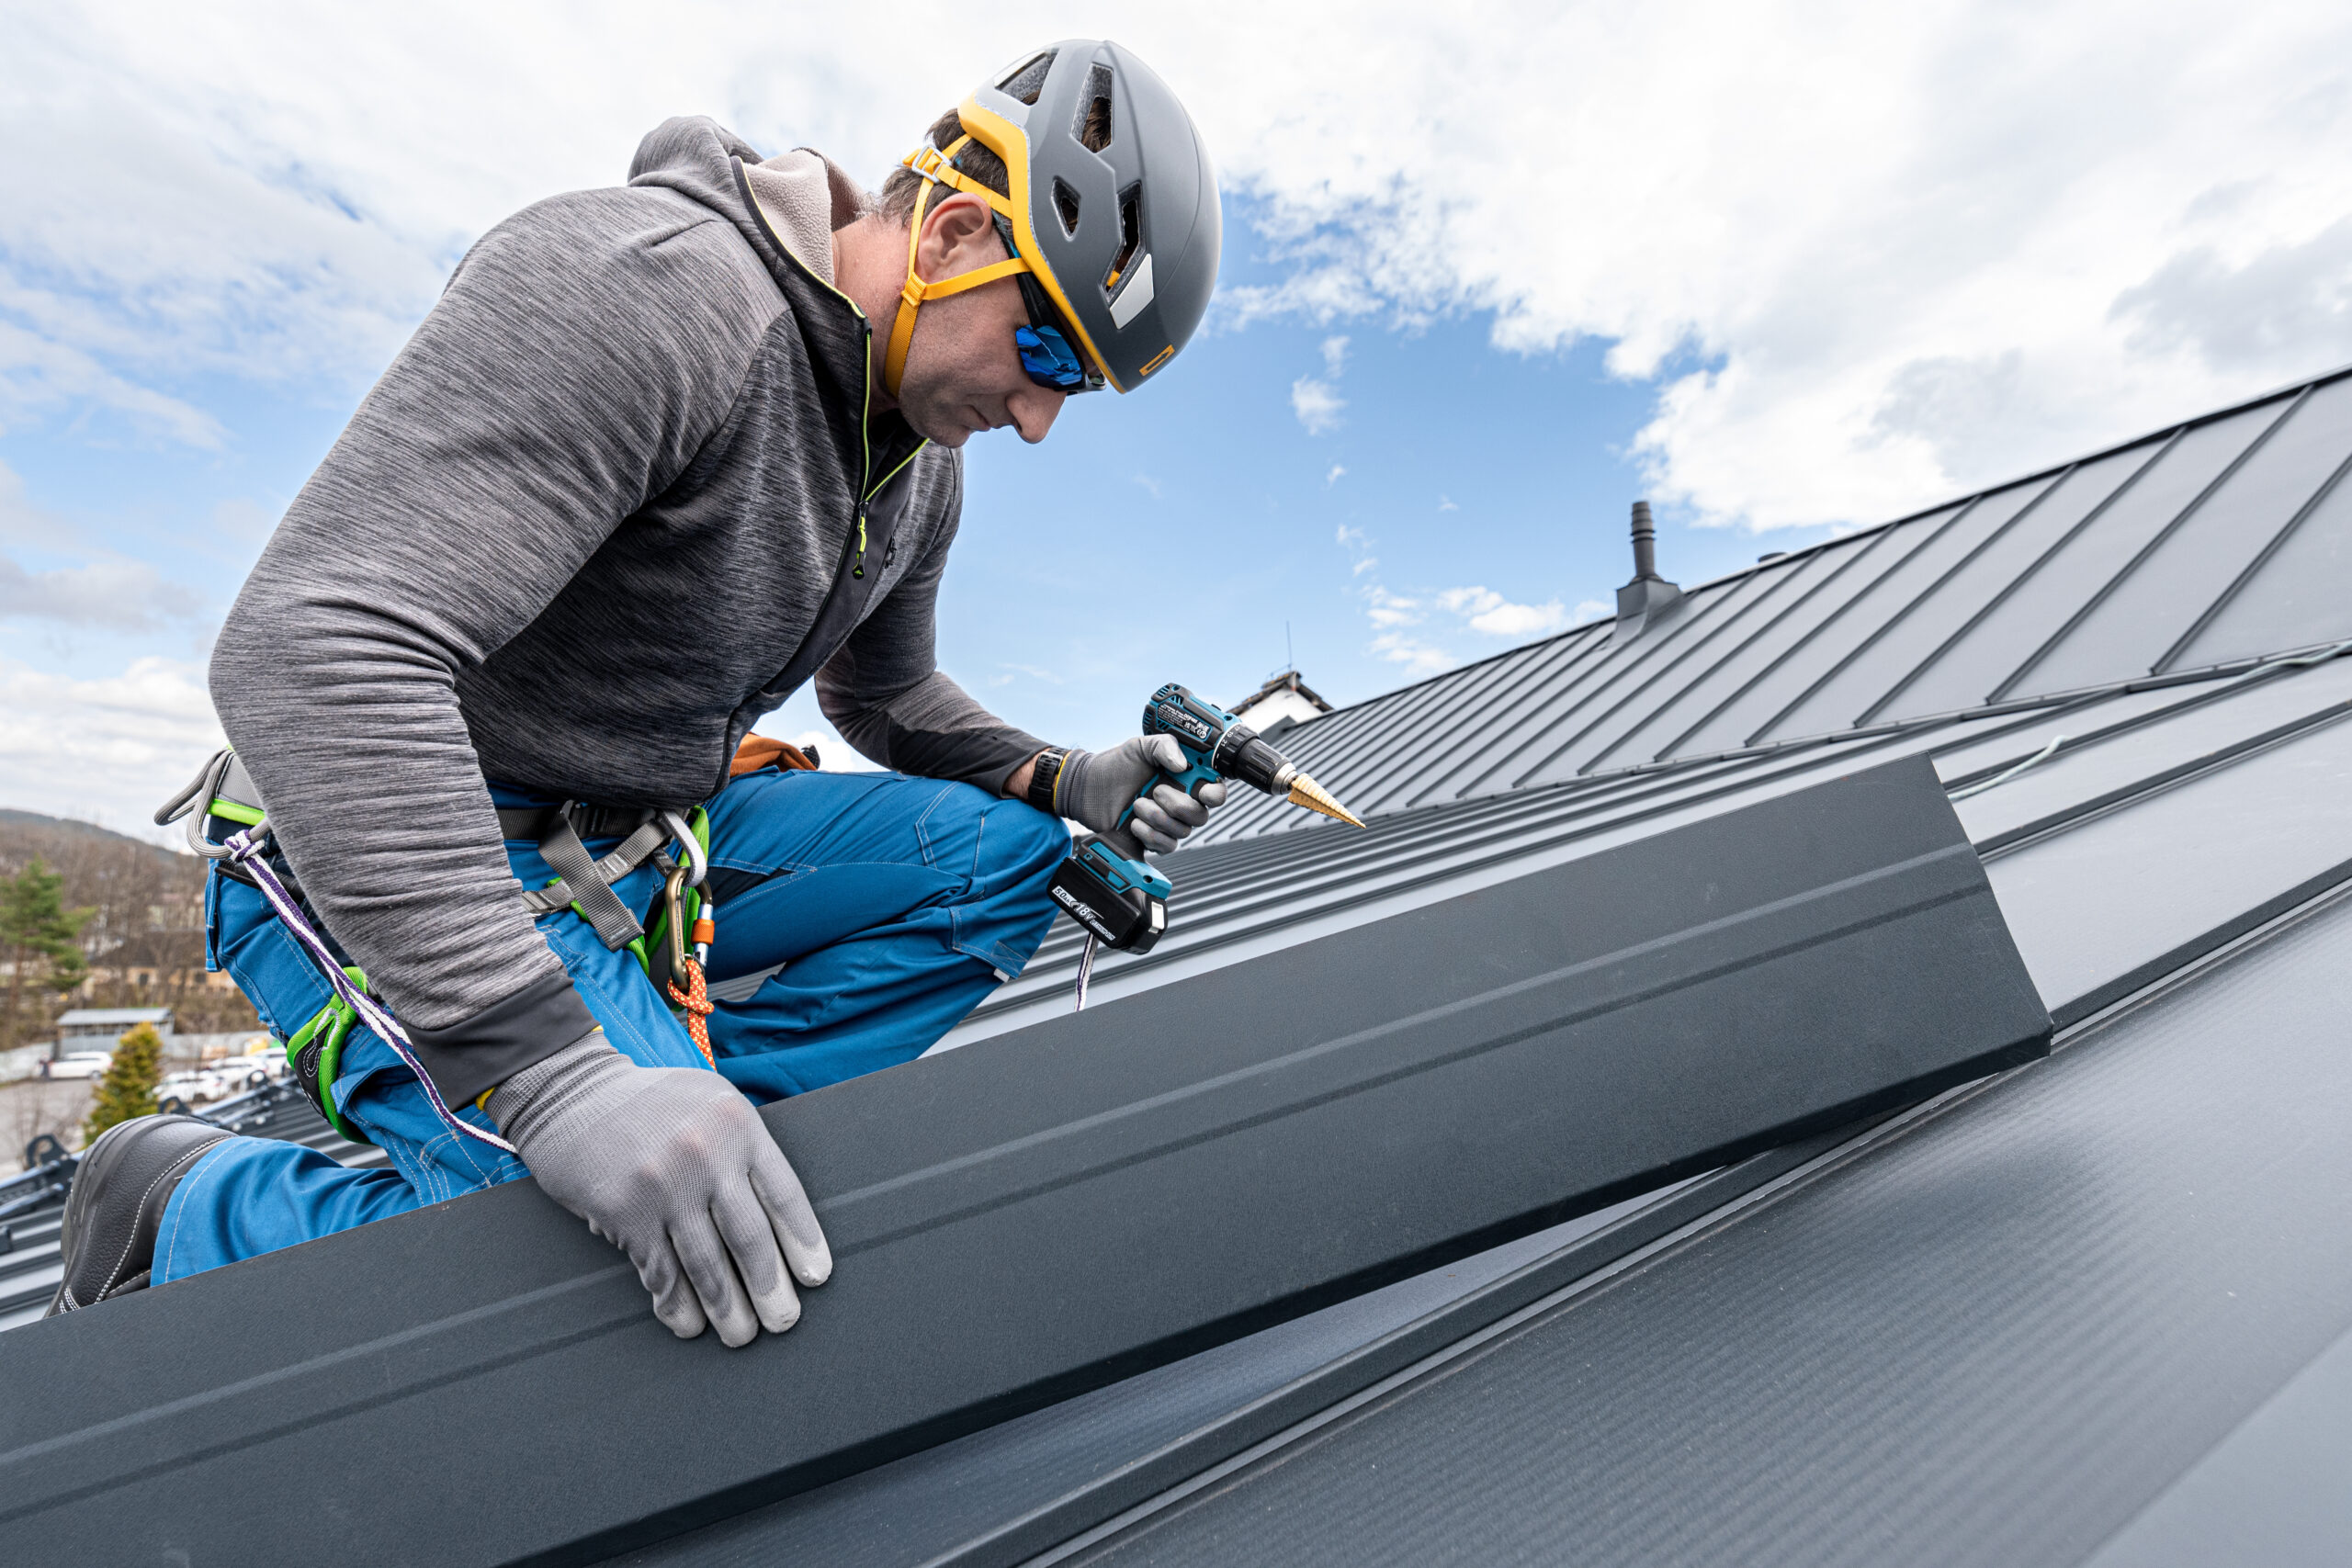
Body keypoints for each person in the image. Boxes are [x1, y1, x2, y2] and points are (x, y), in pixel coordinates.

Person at [47, 40, 1225, 1348]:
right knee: (620, 1280)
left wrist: (1063, 777)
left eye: (1084, 391)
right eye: (1052, 355)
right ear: (951, 234)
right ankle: (188, 1209)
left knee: (1012, 861)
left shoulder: (918, 469)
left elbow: (885, 699)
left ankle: (691, 1123)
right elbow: (316, 647)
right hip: (391, 831)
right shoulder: (657, 292)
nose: (1046, 420)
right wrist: (560, 1084)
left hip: (626, 839)